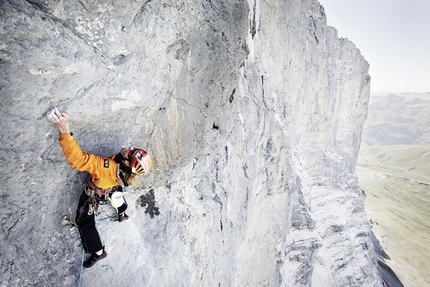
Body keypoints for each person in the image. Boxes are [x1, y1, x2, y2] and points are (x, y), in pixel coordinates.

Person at [47, 107, 152, 268]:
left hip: (96, 190)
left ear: (125, 163)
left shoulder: (107, 166)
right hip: (111, 184)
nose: (129, 148)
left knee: (84, 222)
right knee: (115, 191)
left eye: (130, 153)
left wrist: (64, 129)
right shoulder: (124, 174)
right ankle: (122, 211)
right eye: (134, 149)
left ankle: (98, 252)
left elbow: (78, 160)